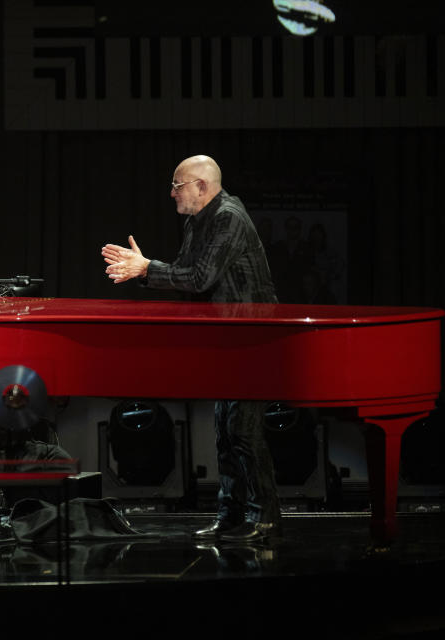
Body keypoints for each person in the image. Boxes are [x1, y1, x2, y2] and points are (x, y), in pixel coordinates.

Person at [101, 155, 281, 542]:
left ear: (202, 185)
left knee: (245, 433)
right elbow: (185, 280)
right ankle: (231, 516)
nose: (171, 192)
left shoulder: (228, 216)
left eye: (177, 185)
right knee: (224, 432)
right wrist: (144, 269)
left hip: (253, 340)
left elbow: (198, 278)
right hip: (226, 342)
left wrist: (146, 267)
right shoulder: (197, 222)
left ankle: (264, 519)